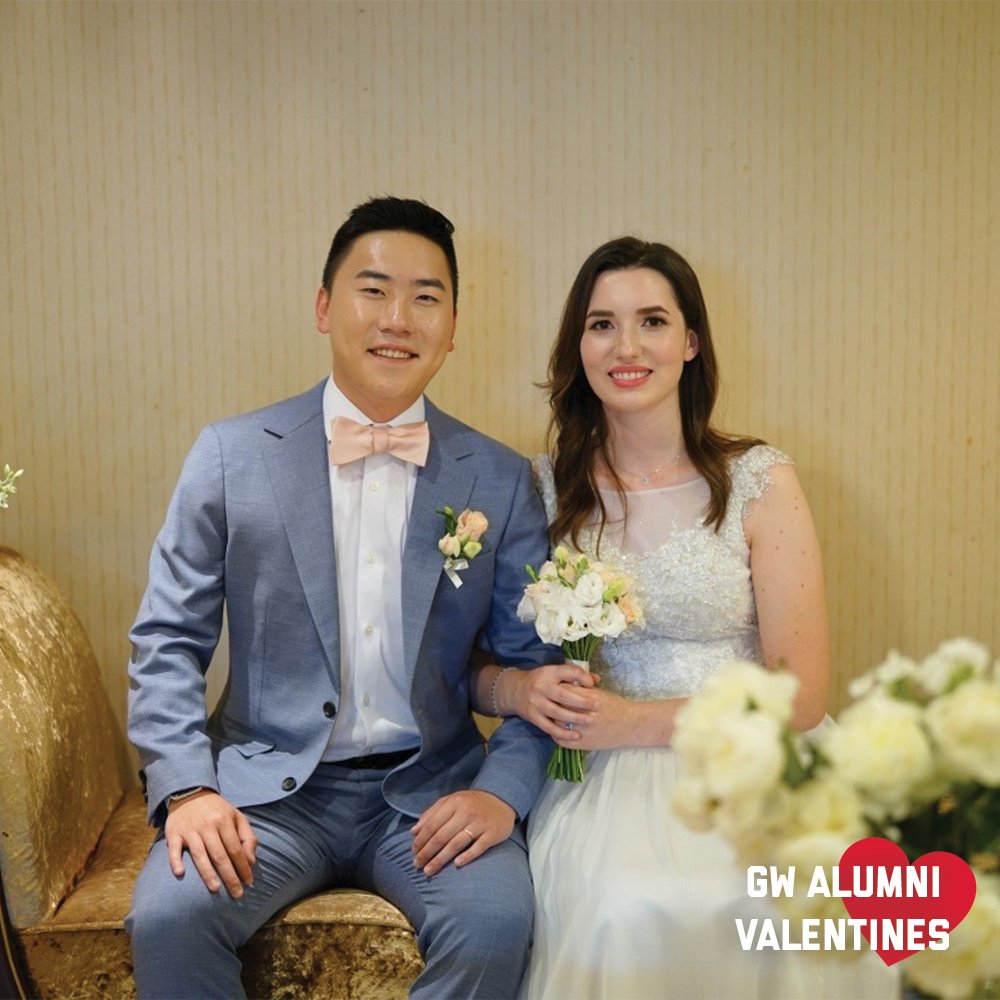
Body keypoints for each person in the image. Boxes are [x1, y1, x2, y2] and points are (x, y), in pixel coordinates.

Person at [125, 196, 559, 999]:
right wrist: (187, 787)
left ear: (453, 327)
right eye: (374, 289)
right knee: (168, 918)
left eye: (426, 297)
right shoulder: (228, 456)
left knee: (497, 920)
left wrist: (500, 793)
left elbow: (538, 670)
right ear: (325, 307)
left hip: (429, 789)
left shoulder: (498, 479)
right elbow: (166, 643)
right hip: (264, 791)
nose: (399, 318)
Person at [473, 237, 898, 998]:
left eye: (653, 321)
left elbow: (800, 698)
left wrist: (626, 722)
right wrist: (519, 693)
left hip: (752, 757)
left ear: (691, 341)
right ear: (579, 344)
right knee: (628, 910)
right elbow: (470, 665)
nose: (627, 346)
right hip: (599, 782)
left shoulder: (759, 480)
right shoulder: (536, 490)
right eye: (601, 323)